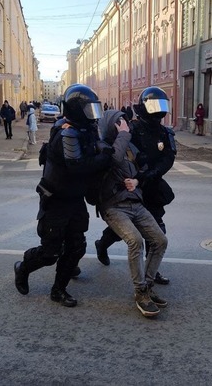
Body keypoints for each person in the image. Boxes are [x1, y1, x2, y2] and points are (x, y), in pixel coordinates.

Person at [13, 83, 111, 307]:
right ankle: (23, 267)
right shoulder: (68, 133)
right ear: (77, 109)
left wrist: (104, 149)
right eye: (89, 110)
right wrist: (104, 157)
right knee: (50, 253)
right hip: (56, 201)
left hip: (75, 199)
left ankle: (58, 290)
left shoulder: (85, 129)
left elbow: (98, 145)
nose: (93, 116)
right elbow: (78, 165)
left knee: (77, 246)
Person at [95, 87, 176, 286]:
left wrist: (152, 174)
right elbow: (119, 153)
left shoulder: (165, 132)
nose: (158, 111)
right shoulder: (132, 129)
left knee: (156, 228)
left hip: (152, 184)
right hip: (131, 186)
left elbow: (168, 158)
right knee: (122, 231)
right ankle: (102, 244)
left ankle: (151, 271)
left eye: (161, 106)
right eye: (154, 106)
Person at [96, 109, 168, 317]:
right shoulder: (102, 146)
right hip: (113, 206)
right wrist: (124, 135)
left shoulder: (128, 146)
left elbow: (141, 168)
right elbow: (113, 159)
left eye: (125, 123)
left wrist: (137, 181)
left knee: (160, 241)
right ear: (111, 125)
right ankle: (140, 293)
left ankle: (148, 286)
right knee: (135, 241)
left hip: (135, 202)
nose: (124, 125)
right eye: (119, 123)